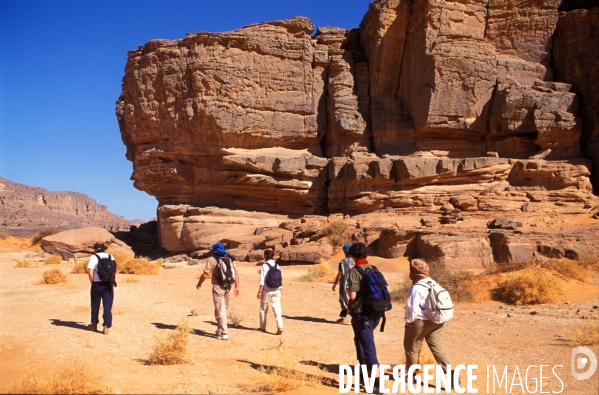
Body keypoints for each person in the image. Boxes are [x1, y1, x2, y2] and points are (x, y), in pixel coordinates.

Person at [404, 258, 455, 388]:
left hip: (420, 322)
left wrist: (408, 322)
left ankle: (412, 376)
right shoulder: (434, 283)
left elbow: (412, 308)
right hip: (436, 320)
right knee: (438, 348)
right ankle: (452, 376)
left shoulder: (416, 288)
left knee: (411, 349)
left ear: (413, 273)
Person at [347, 242, 382, 375]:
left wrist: (348, 305)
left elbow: (352, 295)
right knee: (360, 339)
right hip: (377, 311)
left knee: (367, 344)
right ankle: (364, 370)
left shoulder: (355, 271)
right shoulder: (374, 268)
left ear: (353, 256)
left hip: (361, 312)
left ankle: (376, 379)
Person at [196, 241, 240, 340]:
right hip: (228, 286)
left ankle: (224, 333)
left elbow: (205, 274)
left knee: (220, 309)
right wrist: (237, 287)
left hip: (218, 287)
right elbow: (236, 273)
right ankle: (219, 330)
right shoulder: (229, 258)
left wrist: (199, 284)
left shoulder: (212, 259)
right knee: (221, 308)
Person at [87, 242, 117, 335]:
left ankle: (94, 324)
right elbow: (114, 271)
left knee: (95, 305)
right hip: (108, 284)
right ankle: (106, 327)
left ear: (95, 249)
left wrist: (93, 283)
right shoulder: (111, 256)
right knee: (107, 306)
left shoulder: (93, 257)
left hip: (97, 284)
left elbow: (90, 272)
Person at [256, 249, 283, 335]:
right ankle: (280, 326)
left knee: (263, 309)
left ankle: (262, 327)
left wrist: (259, 291)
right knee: (277, 309)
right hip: (277, 289)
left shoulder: (264, 265)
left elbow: (262, 280)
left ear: (266, 256)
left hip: (267, 290)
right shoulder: (277, 265)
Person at [332, 243, 354, 323]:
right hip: (355, 283)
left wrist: (335, 284)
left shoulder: (343, 262)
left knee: (345, 301)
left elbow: (340, 273)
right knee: (351, 300)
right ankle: (343, 318)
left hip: (345, 284)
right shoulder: (356, 260)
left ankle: (355, 318)